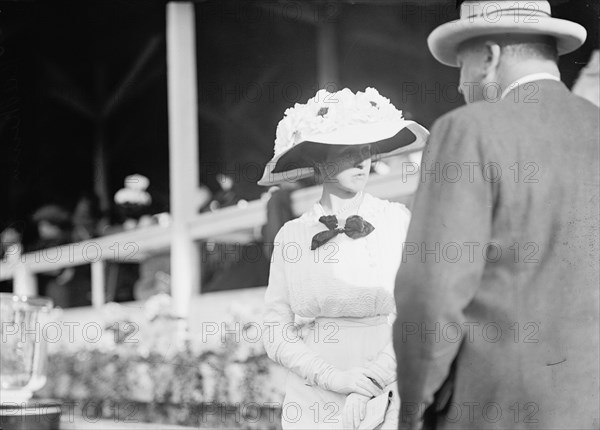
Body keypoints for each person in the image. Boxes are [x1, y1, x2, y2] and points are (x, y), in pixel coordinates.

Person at [393, 1, 599, 429]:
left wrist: (412, 410)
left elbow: (432, 292)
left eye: (461, 65)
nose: (459, 85)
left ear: (489, 57)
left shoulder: (468, 129)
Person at [260, 87, 429, 429]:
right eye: (347, 150)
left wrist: (370, 381)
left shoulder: (397, 221)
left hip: (385, 388)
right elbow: (276, 327)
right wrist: (334, 378)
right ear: (320, 160)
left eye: (366, 149)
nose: (361, 160)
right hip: (312, 396)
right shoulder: (291, 235)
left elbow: (418, 314)